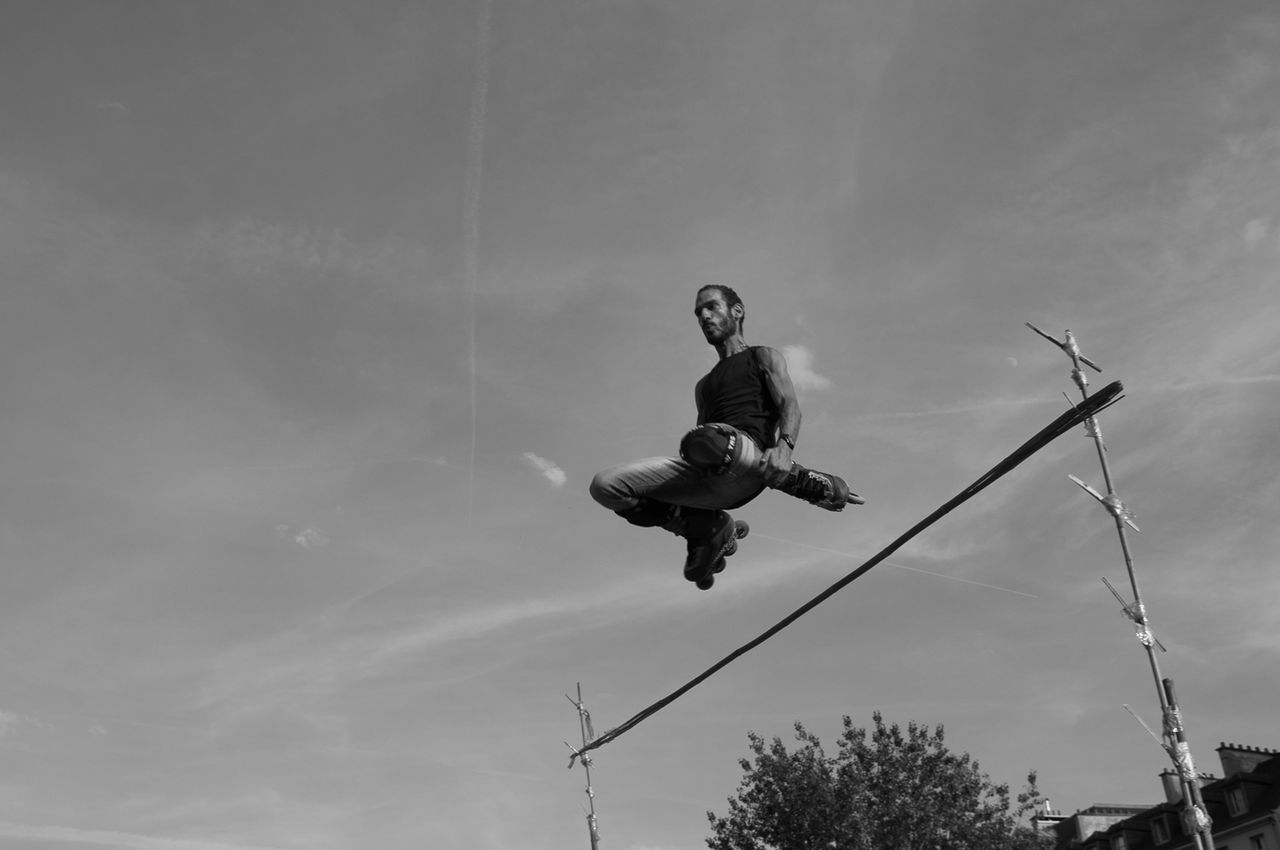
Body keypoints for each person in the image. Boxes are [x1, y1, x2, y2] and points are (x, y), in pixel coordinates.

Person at [589, 285, 861, 586]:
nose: (704, 316)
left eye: (711, 307)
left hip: (747, 458)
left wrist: (784, 447)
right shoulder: (703, 387)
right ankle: (704, 527)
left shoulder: (762, 356)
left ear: (737, 311)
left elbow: (790, 404)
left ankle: (799, 481)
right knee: (606, 486)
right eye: (698, 313)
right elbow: (700, 447)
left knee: (705, 441)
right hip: (712, 468)